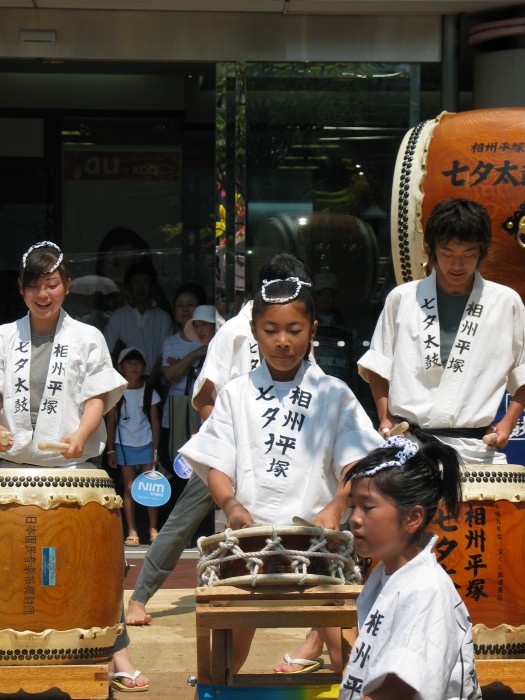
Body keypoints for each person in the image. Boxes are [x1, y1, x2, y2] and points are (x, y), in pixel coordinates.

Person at [179, 272, 383, 673]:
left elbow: (357, 460)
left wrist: (337, 504)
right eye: (271, 330)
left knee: (343, 646)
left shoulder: (334, 392)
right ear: (254, 330)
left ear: (313, 331)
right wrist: (231, 505)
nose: (283, 341)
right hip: (248, 541)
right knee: (227, 652)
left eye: (294, 329)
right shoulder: (236, 393)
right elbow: (216, 462)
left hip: (318, 543)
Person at [125, 254, 313, 627]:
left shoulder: (295, 328)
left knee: (304, 514)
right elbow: (204, 396)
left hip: (282, 444)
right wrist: (233, 440)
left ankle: (308, 615)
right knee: (182, 521)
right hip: (228, 449)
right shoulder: (233, 332)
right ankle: (140, 597)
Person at [0, 241, 148, 692]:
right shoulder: (4, 336)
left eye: (51, 285)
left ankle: (114, 649)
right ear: (21, 289)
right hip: (12, 464)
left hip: (72, 467)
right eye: (33, 286)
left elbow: (97, 398)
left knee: (93, 561)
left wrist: (82, 436)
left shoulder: (87, 337)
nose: (42, 295)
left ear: (66, 286)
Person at [359, 197, 525, 463]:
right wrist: (385, 418)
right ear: (431, 250)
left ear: (482, 251)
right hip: (409, 447)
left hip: (475, 449)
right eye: (447, 254)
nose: (457, 265)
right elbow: (378, 365)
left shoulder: (506, 303)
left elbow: (523, 371)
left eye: (468, 255)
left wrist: (508, 422)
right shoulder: (402, 298)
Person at [339, 435, 481, 700]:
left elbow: (398, 690)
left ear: (412, 518)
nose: (355, 519)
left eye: (367, 508)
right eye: (352, 507)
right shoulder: (388, 574)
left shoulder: (425, 589)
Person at [107, 346, 161, 546]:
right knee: (129, 488)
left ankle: (153, 528)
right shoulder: (117, 392)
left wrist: (156, 449)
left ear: (144, 366)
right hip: (124, 444)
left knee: (151, 486)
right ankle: (132, 530)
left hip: (146, 443)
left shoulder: (150, 392)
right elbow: (110, 422)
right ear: (121, 367)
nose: (134, 367)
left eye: (138, 363)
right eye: (129, 363)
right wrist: (110, 449)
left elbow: (155, 422)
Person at [159, 284, 207, 475]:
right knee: (177, 464)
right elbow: (169, 375)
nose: (185, 309)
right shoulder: (171, 342)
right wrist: (194, 355)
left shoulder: (211, 339)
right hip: (175, 411)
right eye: (180, 305)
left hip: (203, 411)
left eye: (190, 304)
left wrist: (180, 365)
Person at [103, 260, 174, 384]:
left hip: (155, 383)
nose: (140, 288)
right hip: (124, 385)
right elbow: (108, 353)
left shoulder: (163, 318)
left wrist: (150, 382)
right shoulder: (118, 317)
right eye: (136, 283)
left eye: (145, 283)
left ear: (152, 286)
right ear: (129, 286)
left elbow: (165, 355)